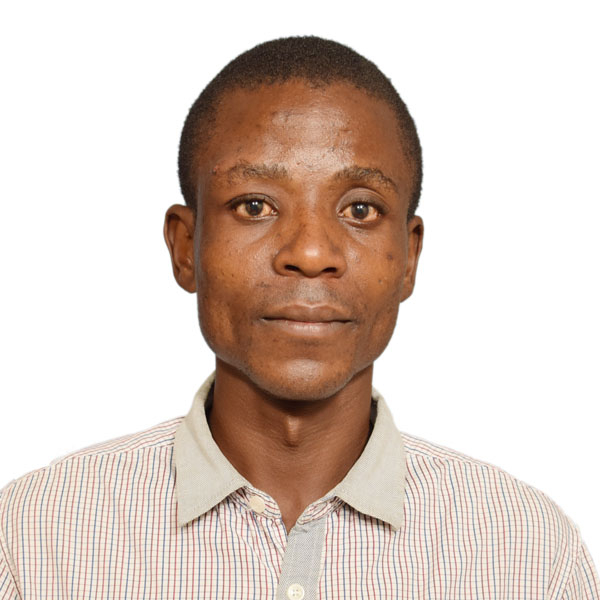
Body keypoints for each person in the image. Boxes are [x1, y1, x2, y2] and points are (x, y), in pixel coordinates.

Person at [0, 36, 597, 600]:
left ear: (409, 258)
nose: (310, 253)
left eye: (359, 210)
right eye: (254, 205)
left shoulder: (528, 555)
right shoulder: (35, 539)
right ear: (186, 248)